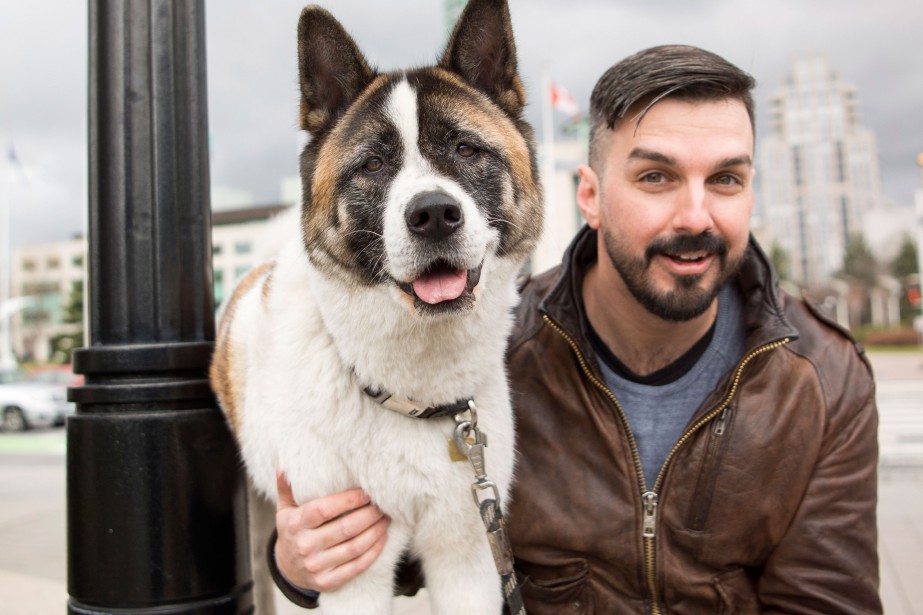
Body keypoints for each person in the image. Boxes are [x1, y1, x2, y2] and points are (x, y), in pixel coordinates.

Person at [269, 45, 881, 613]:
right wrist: (297, 562)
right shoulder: (487, 358)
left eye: (726, 179)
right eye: (656, 177)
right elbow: (403, 552)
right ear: (589, 195)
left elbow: (825, 600)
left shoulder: (824, 381)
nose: (696, 216)